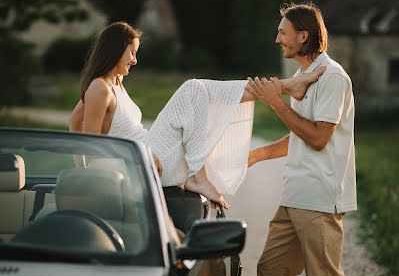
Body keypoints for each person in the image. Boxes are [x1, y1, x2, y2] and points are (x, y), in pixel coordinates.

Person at [69, 21, 323, 209]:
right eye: (132, 52)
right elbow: (93, 145)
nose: (135, 60)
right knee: (193, 89)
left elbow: (72, 124)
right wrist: (88, 175)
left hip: (149, 153)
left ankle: (289, 86)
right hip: (142, 159)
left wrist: (82, 169)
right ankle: (197, 175)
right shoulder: (99, 88)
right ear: (116, 50)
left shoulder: (113, 83)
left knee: (199, 98)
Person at [237, 2, 356, 276]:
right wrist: (257, 155)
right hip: (294, 195)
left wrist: (275, 101)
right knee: (271, 269)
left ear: (303, 35)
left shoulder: (333, 77)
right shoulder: (305, 75)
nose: (277, 39)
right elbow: (299, 136)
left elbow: (319, 136)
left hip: (320, 197)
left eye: (283, 32)